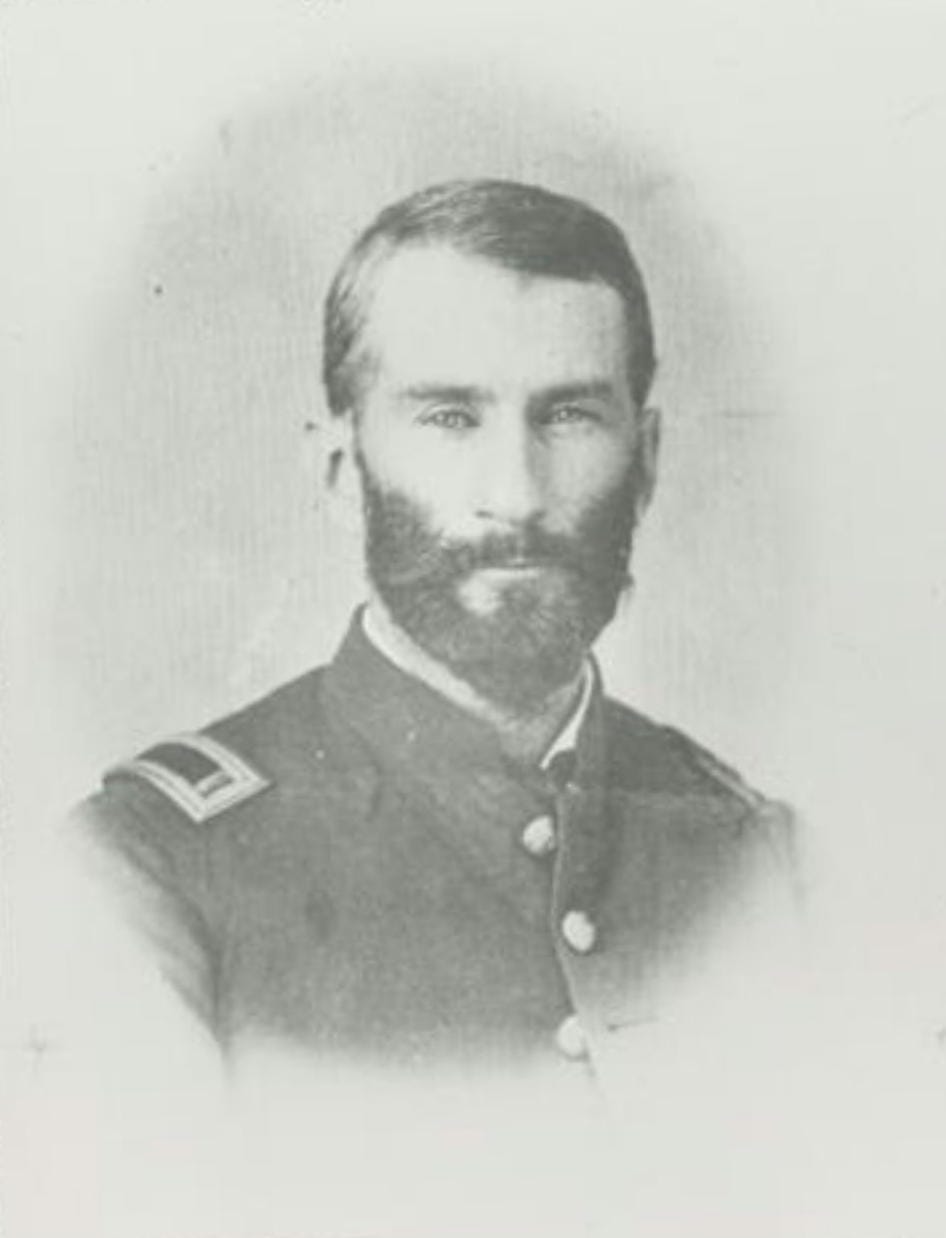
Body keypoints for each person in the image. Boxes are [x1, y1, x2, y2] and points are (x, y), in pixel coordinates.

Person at [72, 178, 798, 1076]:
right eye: (450, 418)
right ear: (343, 471)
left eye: (570, 415)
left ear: (644, 463)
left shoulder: (758, 859)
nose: (517, 494)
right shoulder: (152, 867)